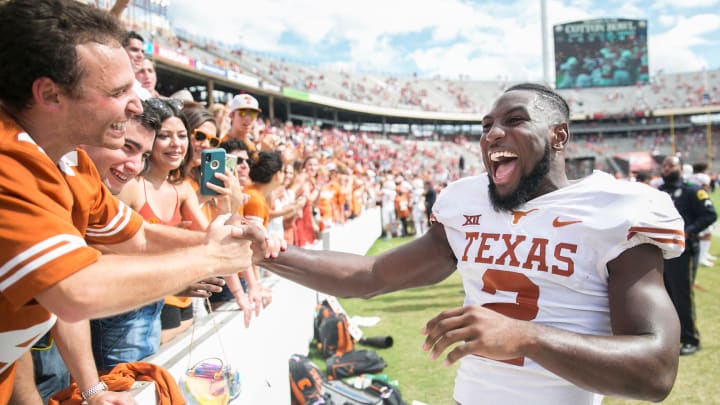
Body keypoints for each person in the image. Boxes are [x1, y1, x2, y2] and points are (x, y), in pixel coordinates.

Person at [258, 83, 686, 404]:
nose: (493, 134)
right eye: (486, 126)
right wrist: (267, 252)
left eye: (514, 121)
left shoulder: (619, 208)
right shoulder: (465, 202)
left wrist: (526, 337)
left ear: (558, 136)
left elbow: (655, 370)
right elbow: (371, 275)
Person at [0, 1, 264, 403]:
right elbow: (73, 291)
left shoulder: (69, 161)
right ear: (50, 94)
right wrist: (212, 258)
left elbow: (136, 237)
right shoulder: (7, 160)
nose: (137, 105)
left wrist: (217, 238)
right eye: (119, 91)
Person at [657, 155, 716, 356]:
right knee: (665, 295)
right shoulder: (659, 192)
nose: (666, 169)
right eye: (664, 165)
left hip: (683, 251)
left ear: (680, 168)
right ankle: (672, 338)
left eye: (670, 165)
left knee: (682, 295)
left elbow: (709, 215)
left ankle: (690, 338)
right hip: (661, 251)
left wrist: (688, 231)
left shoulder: (692, 190)